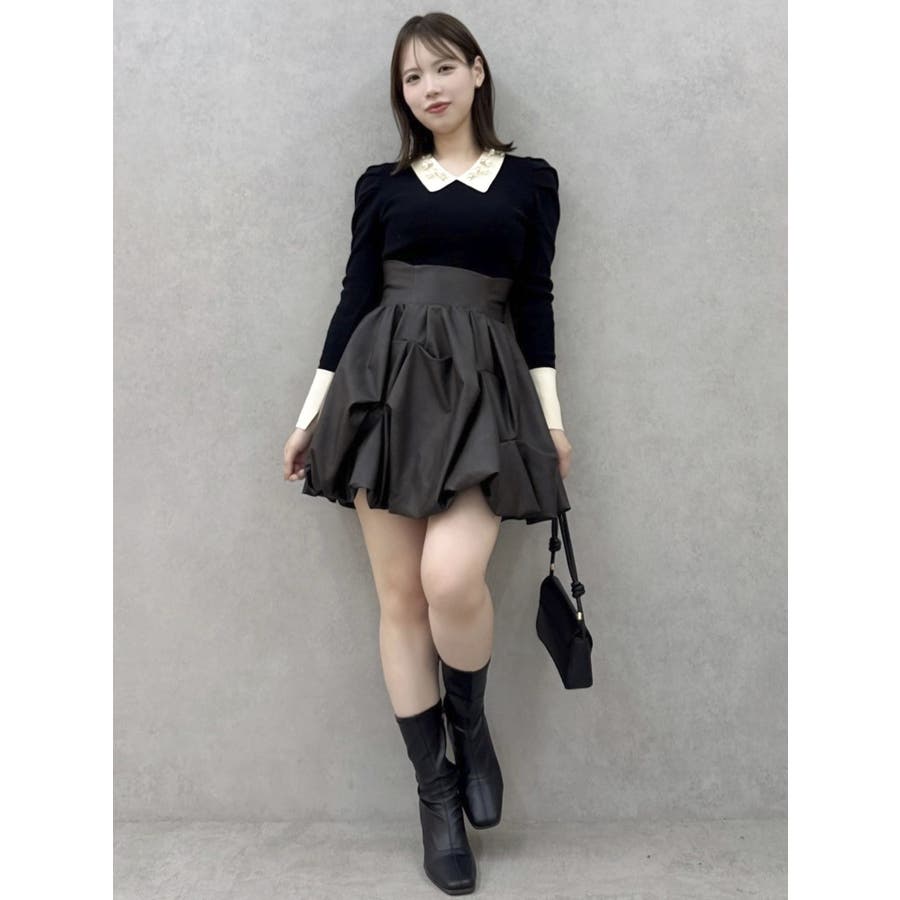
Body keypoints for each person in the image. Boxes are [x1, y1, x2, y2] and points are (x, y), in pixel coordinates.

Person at [282, 12, 573, 896]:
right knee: (402, 598)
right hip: (383, 392)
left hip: (485, 393)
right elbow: (353, 299)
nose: (429, 88)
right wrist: (310, 416)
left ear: (477, 72)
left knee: (451, 579)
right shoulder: (383, 186)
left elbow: (535, 301)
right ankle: (436, 798)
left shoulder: (529, 182)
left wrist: (553, 421)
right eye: (412, 78)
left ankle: (470, 726)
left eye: (443, 68)